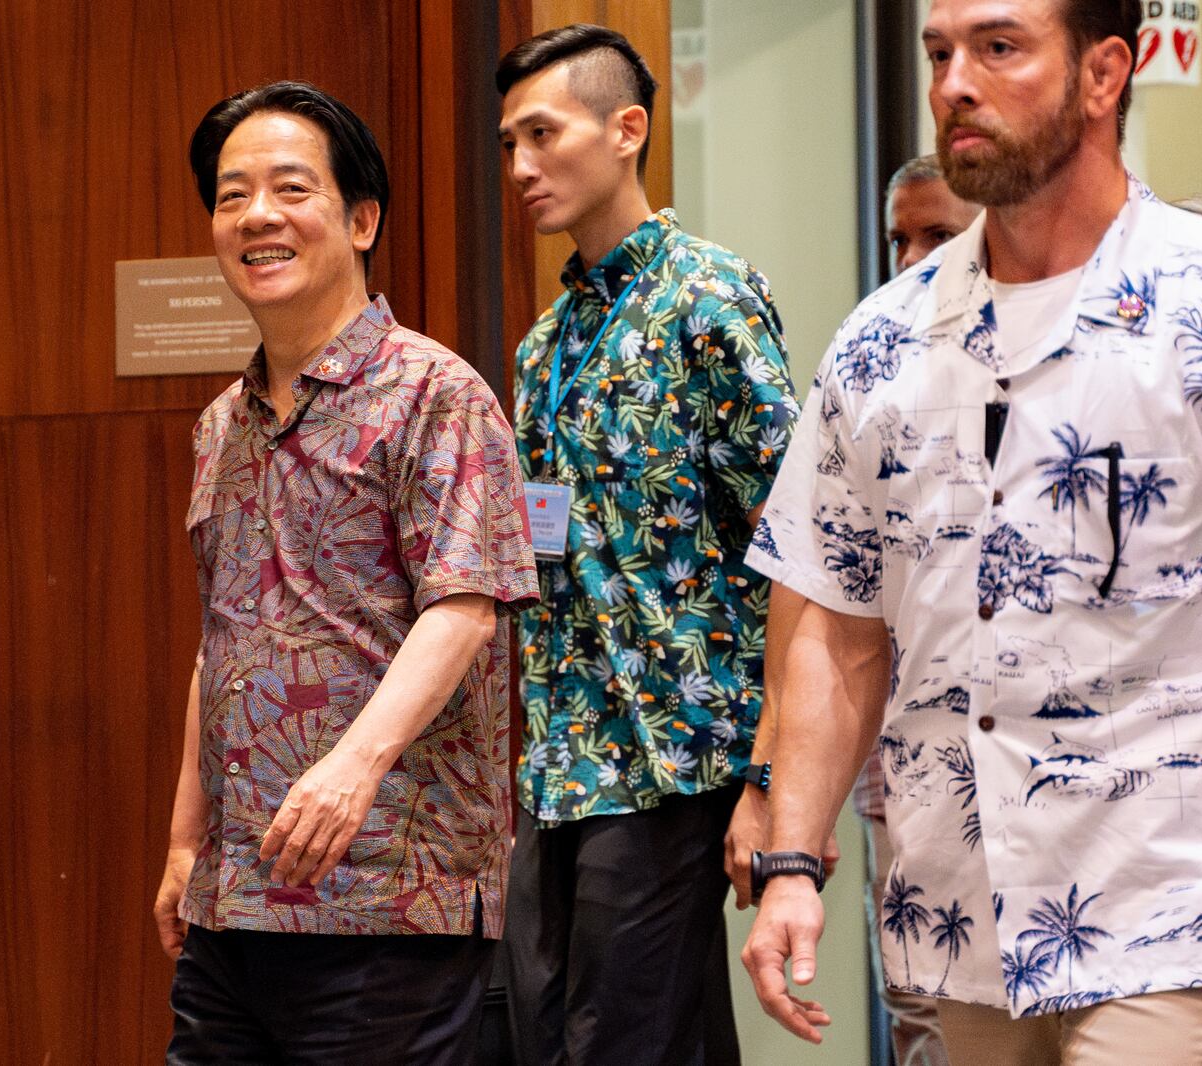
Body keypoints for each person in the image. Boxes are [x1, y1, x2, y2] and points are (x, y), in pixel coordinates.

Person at [739, 1, 1202, 1063]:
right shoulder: (879, 342)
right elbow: (832, 624)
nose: (953, 82)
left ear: (1102, 75)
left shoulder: (1188, 303)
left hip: (1163, 915)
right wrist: (792, 862)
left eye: (997, 48)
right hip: (957, 915)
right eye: (938, 53)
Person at [153, 80, 539, 1065]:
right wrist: (184, 841)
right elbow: (222, 640)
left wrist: (349, 772)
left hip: (387, 901)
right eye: (231, 195)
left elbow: (464, 608)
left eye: (289, 188)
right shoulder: (218, 426)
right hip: (233, 905)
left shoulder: (437, 396)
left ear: (361, 219)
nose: (257, 217)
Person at [496, 25, 799, 1064]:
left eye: (541, 134)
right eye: (507, 144)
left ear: (626, 130)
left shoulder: (708, 299)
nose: (521, 167)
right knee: (544, 1037)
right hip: (558, 761)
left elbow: (799, 552)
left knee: (614, 1043)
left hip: (675, 758)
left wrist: (769, 786)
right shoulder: (543, 345)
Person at [866, 154, 981, 1066]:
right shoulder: (873, 371)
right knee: (917, 1017)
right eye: (898, 238)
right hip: (904, 774)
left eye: (937, 234)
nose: (911, 258)